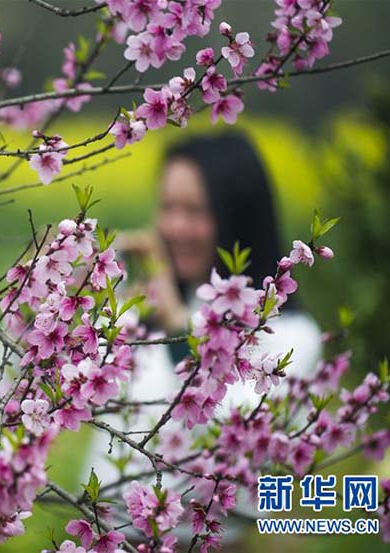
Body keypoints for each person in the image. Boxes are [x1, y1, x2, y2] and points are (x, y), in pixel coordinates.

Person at [84, 132, 323, 548]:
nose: (174, 227)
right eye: (168, 208)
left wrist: (176, 320)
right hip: (105, 533)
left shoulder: (292, 336)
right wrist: (67, 292)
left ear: (238, 216)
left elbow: (239, 428)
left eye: (195, 211)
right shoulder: (136, 310)